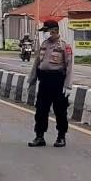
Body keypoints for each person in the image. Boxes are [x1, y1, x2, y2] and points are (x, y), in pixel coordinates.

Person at [28, 19, 73, 148]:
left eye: (46, 31)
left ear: (54, 31)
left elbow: (70, 67)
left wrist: (68, 85)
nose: (45, 34)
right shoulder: (43, 44)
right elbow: (37, 64)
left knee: (60, 111)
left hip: (58, 81)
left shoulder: (64, 46)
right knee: (41, 109)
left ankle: (61, 137)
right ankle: (39, 136)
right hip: (44, 81)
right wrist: (31, 80)